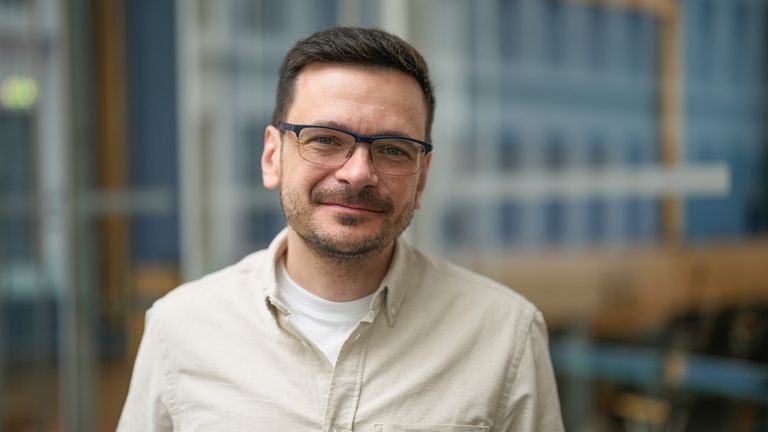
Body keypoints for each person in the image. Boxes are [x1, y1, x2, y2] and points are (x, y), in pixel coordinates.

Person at [118, 26, 564, 431]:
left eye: (392, 149)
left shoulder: (504, 334)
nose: (357, 173)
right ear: (272, 156)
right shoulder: (180, 328)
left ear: (422, 176)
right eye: (326, 140)